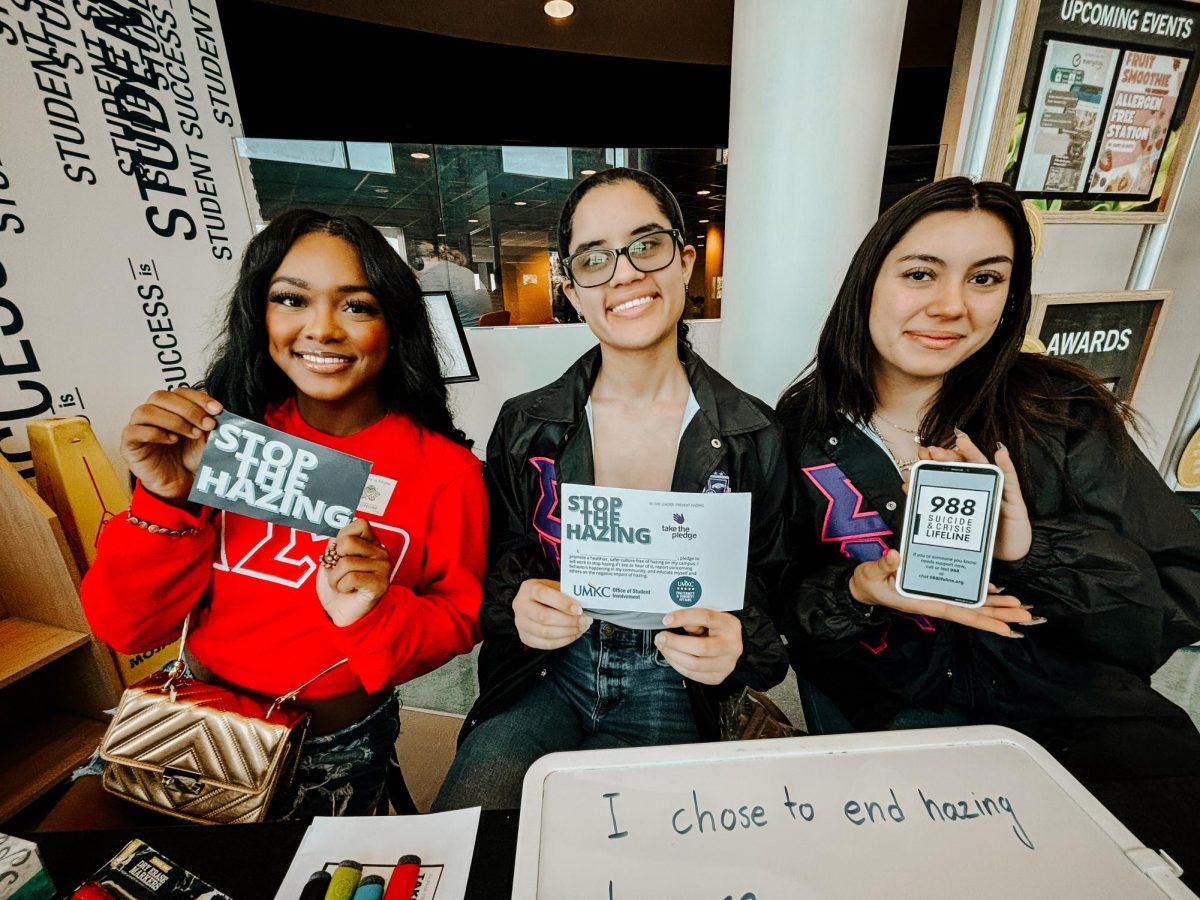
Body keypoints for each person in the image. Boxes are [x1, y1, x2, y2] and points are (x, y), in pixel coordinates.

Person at [777, 177, 1200, 780]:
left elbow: (1178, 598)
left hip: (1080, 721)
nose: (952, 305)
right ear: (867, 283)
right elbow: (784, 609)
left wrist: (1034, 551)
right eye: (920, 273)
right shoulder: (801, 429)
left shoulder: (1058, 410)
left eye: (985, 278)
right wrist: (858, 591)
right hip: (895, 717)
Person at [78, 209, 488, 820]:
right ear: (259, 315)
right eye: (291, 299)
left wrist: (376, 611)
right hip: (187, 712)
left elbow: (460, 618)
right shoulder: (222, 438)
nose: (321, 329)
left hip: (329, 747)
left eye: (357, 306)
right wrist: (164, 497)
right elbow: (125, 629)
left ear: (394, 323)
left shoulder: (446, 472)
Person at [434, 169, 790, 810]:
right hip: (549, 671)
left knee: (638, 851)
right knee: (471, 834)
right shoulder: (527, 424)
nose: (623, 274)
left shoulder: (751, 433)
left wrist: (739, 642)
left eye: (645, 245)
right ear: (572, 289)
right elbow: (502, 556)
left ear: (684, 262)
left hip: (674, 680)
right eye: (594, 259)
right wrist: (519, 601)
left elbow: (772, 583)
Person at [415, 240, 494, 327]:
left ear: (420, 260)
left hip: (461, 333)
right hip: (480, 330)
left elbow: (421, 313)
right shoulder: (466, 271)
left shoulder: (432, 276)